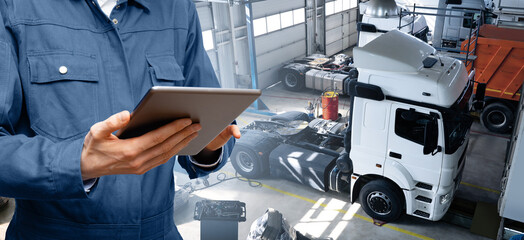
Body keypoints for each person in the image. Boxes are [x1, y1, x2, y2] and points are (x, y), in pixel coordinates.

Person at [0, 0, 239, 239]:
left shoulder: (176, 7)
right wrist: (77, 164)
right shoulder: (14, 6)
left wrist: (207, 147)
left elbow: (210, 112)